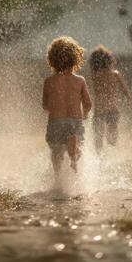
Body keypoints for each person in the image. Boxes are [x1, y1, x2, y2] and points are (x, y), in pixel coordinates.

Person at [43, 36, 92, 175]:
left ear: (52, 60)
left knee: (56, 151)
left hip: (55, 122)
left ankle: (58, 176)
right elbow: (88, 103)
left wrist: (55, 108)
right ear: (75, 58)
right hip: (75, 121)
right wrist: (86, 113)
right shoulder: (80, 80)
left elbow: (45, 105)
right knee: (76, 141)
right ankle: (74, 154)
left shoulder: (49, 81)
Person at [89, 45, 130, 153]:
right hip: (112, 110)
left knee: (98, 139)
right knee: (112, 140)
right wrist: (127, 98)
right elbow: (125, 91)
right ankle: (110, 153)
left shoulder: (94, 76)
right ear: (109, 60)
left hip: (99, 111)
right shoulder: (115, 74)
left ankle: (100, 158)